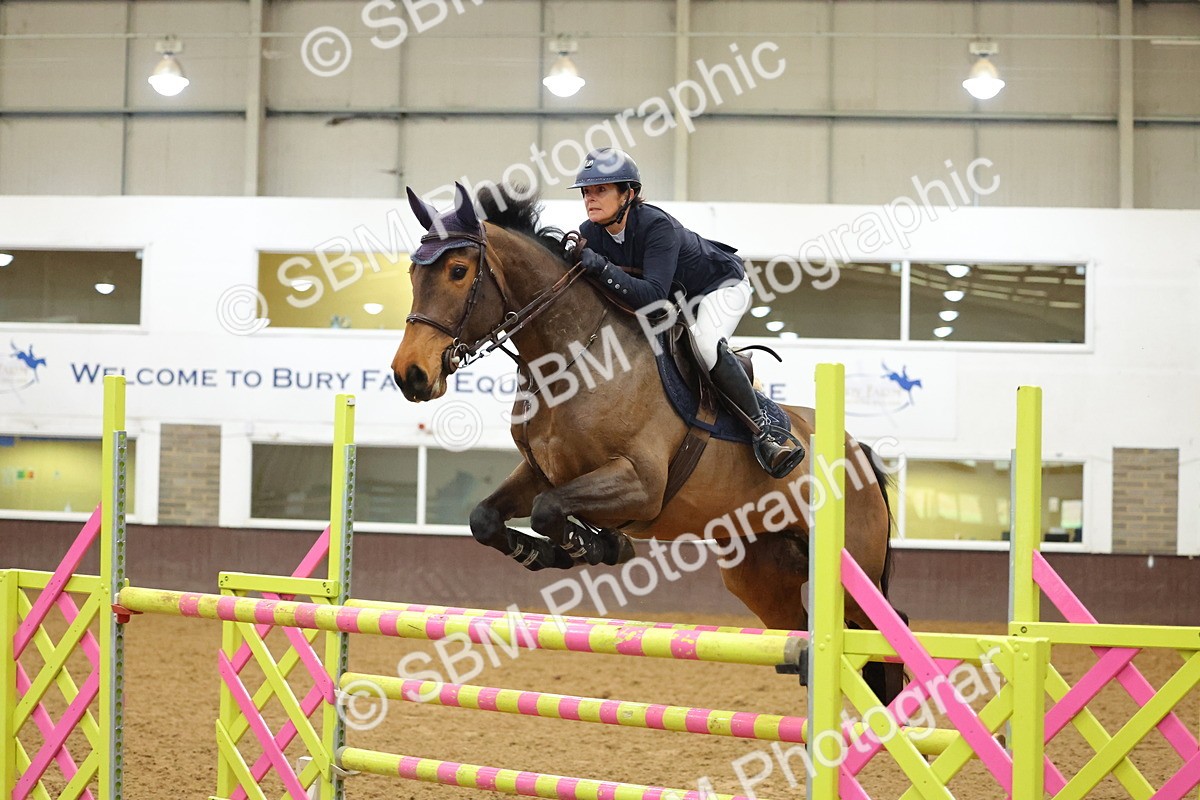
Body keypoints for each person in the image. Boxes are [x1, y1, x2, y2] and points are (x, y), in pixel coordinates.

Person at [571, 147, 804, 478]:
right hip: (677, 302)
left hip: (720, 287)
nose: (590, 198)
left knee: (706, 345)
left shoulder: (655, 226)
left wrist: (603, 269)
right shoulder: (590, 232)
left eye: (601, 190)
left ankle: (764, 433)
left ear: (628, 194)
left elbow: (653, 295)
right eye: (586, 191)